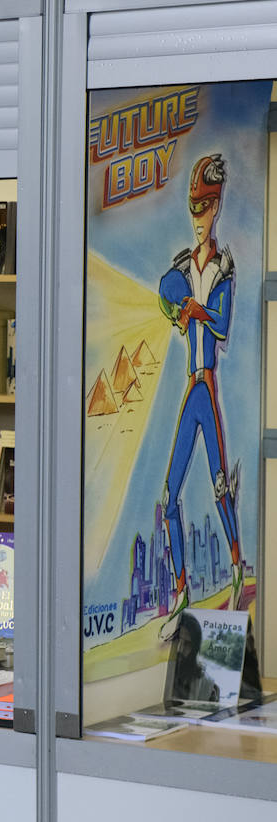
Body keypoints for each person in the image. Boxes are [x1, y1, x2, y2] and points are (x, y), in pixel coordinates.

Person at [159, 153, 242, 615]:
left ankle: (233, 566)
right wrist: (177, 308)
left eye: (205, 207)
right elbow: (163, 295)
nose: (198, 217)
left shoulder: (222, 270)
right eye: (194, 208)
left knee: (217, 487)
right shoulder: (184, 267)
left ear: (217, 207)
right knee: (169, 496)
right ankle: (180, 592)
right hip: (191, 389)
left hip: (207, 387)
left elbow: (224, 324)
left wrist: (198, 311)